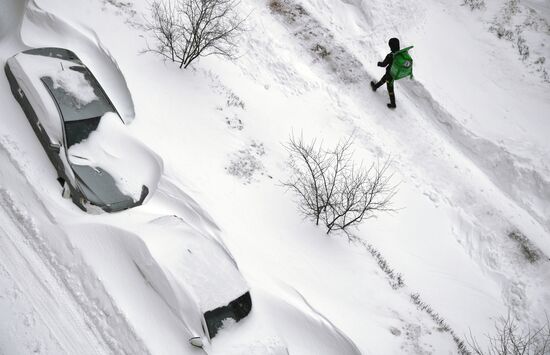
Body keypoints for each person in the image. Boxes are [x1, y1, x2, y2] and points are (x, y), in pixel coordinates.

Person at [371, 37, 400, 109]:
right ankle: (375, 87)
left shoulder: (390, 56)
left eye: (390, 46)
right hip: (394, 73)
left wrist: (378, 63)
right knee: (384, 79)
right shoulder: (400, 53)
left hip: (390, 74)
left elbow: (384, 64)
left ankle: (393, 104)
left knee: (390, 88)